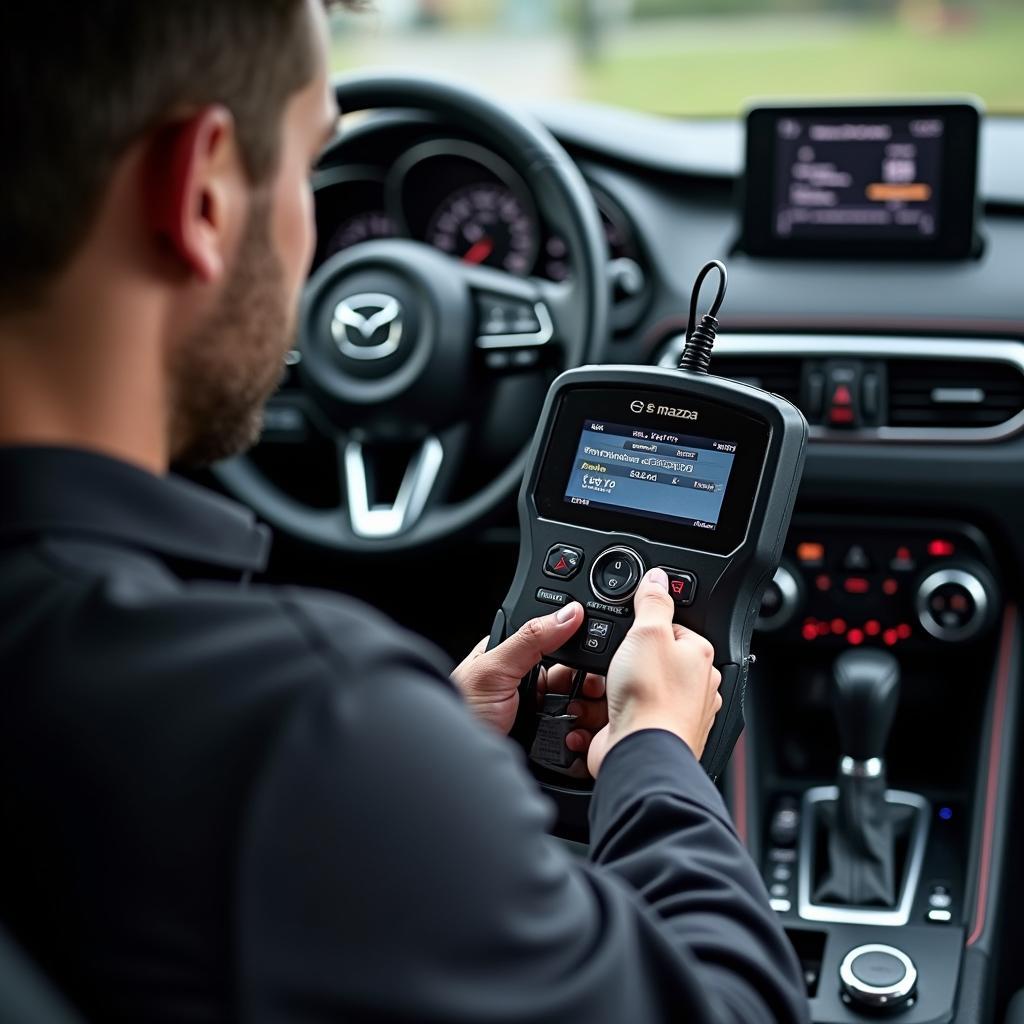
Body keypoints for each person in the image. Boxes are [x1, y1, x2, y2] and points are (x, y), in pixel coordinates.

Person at [0, 2, 809, 1022]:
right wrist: (654, 755)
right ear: (201, 192)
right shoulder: (303, 728)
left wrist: (439, 749)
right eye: (307, 168)